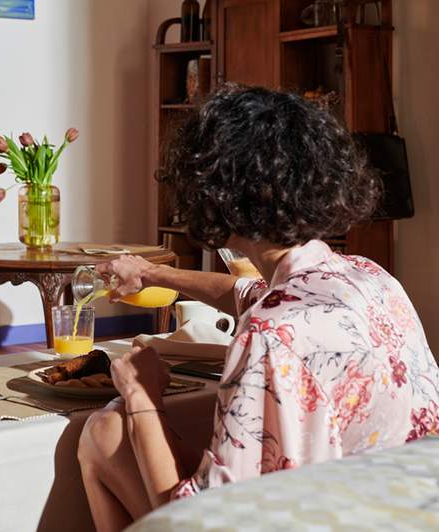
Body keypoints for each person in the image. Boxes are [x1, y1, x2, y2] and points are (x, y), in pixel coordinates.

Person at [77, 85, 439, 532]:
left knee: (102, 434)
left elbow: (211, 521)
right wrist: (152, 275)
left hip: (307, 519)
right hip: (396, 510)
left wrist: (140, 394)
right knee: (111, 430)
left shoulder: (269, 333)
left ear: (218, 194)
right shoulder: (369, 277)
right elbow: (245, 292)